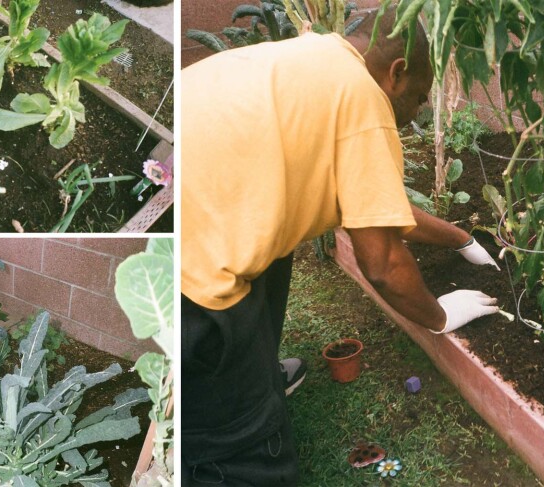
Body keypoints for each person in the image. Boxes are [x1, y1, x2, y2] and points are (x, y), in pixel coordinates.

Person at [181, 7, 501, 486]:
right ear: (396, 73)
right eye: (419, 96)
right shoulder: (363, 99)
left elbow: (379, 210)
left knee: (275, 251)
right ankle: (239, 425)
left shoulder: (318, 61)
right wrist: (439, 316)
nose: (417, 111)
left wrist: (461, 240)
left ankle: (259, 374)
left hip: (183, 208)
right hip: (192, 284)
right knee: (241, 453)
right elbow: (383, 264)